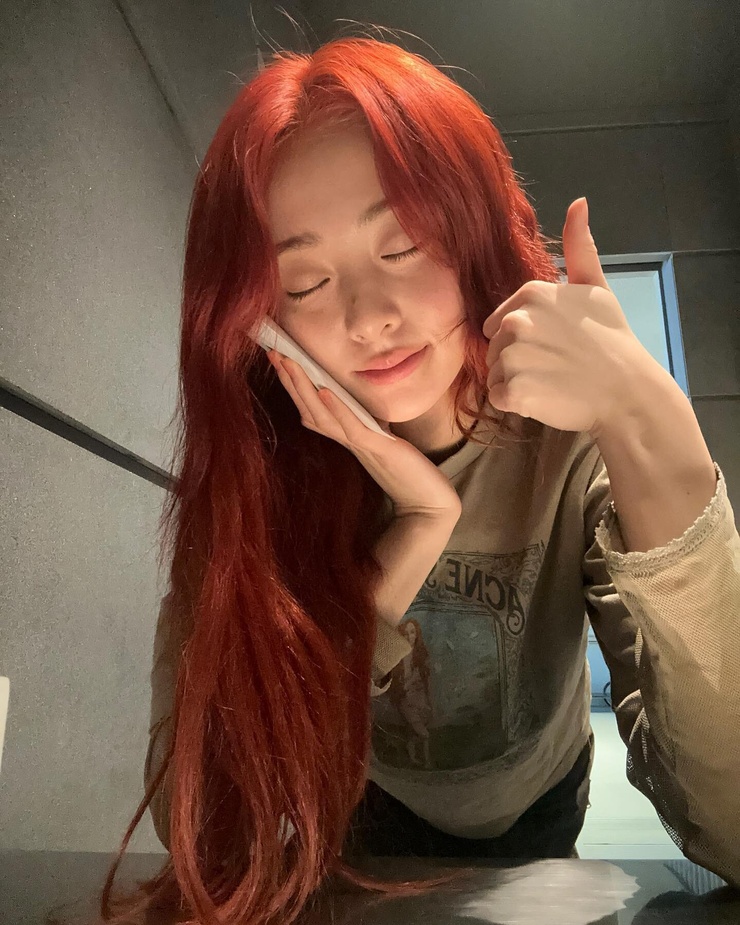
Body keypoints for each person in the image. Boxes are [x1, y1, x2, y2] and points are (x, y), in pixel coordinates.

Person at [95, 34, 740, 925]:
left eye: (401, 246)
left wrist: (653, 421)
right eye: (305, 282)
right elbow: (204, 834)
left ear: (475, 235)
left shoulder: (569, 450)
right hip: (364, 823)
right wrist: (414, 531)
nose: (369, 317)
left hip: (542, 805)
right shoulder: (258, 480)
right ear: (261, 325)